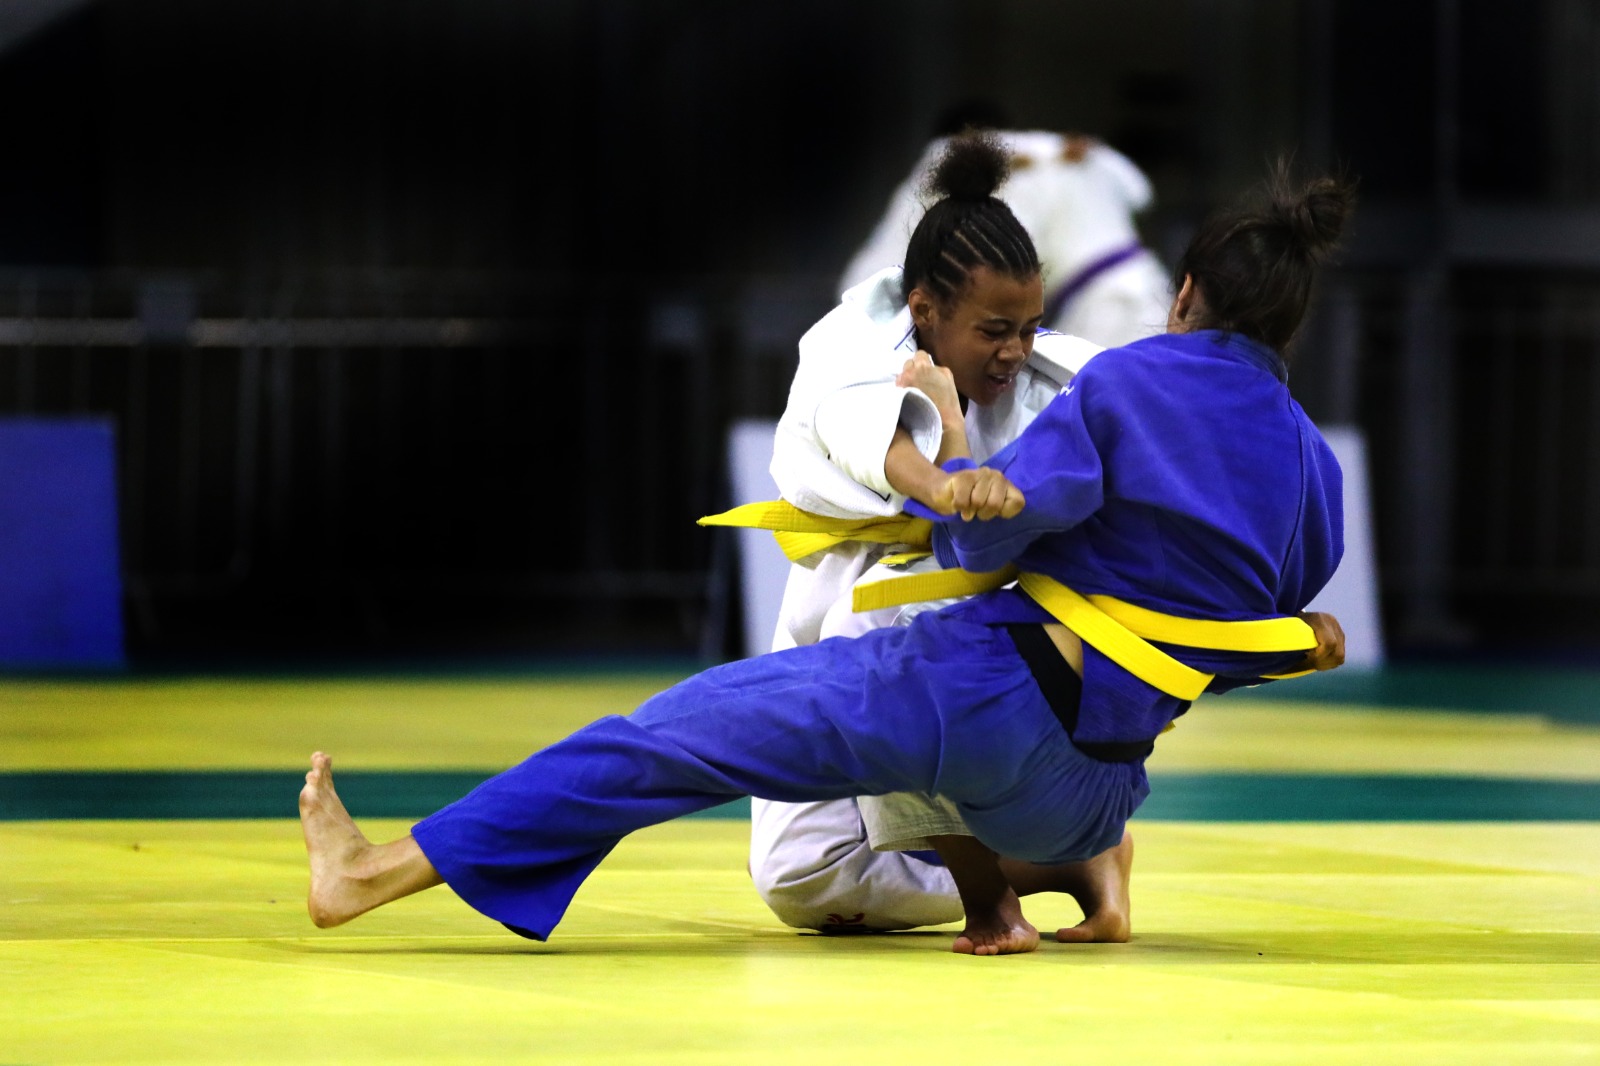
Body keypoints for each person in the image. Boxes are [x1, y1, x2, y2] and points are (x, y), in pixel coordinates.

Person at [299, 158, 1355, 957]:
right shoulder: (1315, 465)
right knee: (846, 807)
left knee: (670, 737)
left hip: (984, 709)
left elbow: (974, 539)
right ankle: (1079, 871)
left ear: (1182, 294)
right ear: (1290, 329)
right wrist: (1300, 642)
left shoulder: (1122, 385)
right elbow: (1244, 640)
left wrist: (956, 457)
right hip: (1098, 790)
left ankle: (372, 871)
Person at [744, 132, 1129, 946]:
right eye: (994, 330)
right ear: (925, 310)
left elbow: (1156, 457)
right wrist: (944, 475)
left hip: (987, 636)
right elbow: (865, 430)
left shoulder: (1063, 374)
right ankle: (1068, 864)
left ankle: (996, 898)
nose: (1015, 350)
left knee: (901, 646)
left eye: (1029, 326)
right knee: (801, 877)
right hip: (841, 588)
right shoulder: (852, 336)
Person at [838, 104, 1173, 349]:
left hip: (1104, 305)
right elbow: (1141, 192)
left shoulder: (953, 157)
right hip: (1147, 287)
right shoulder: (1078, 154)